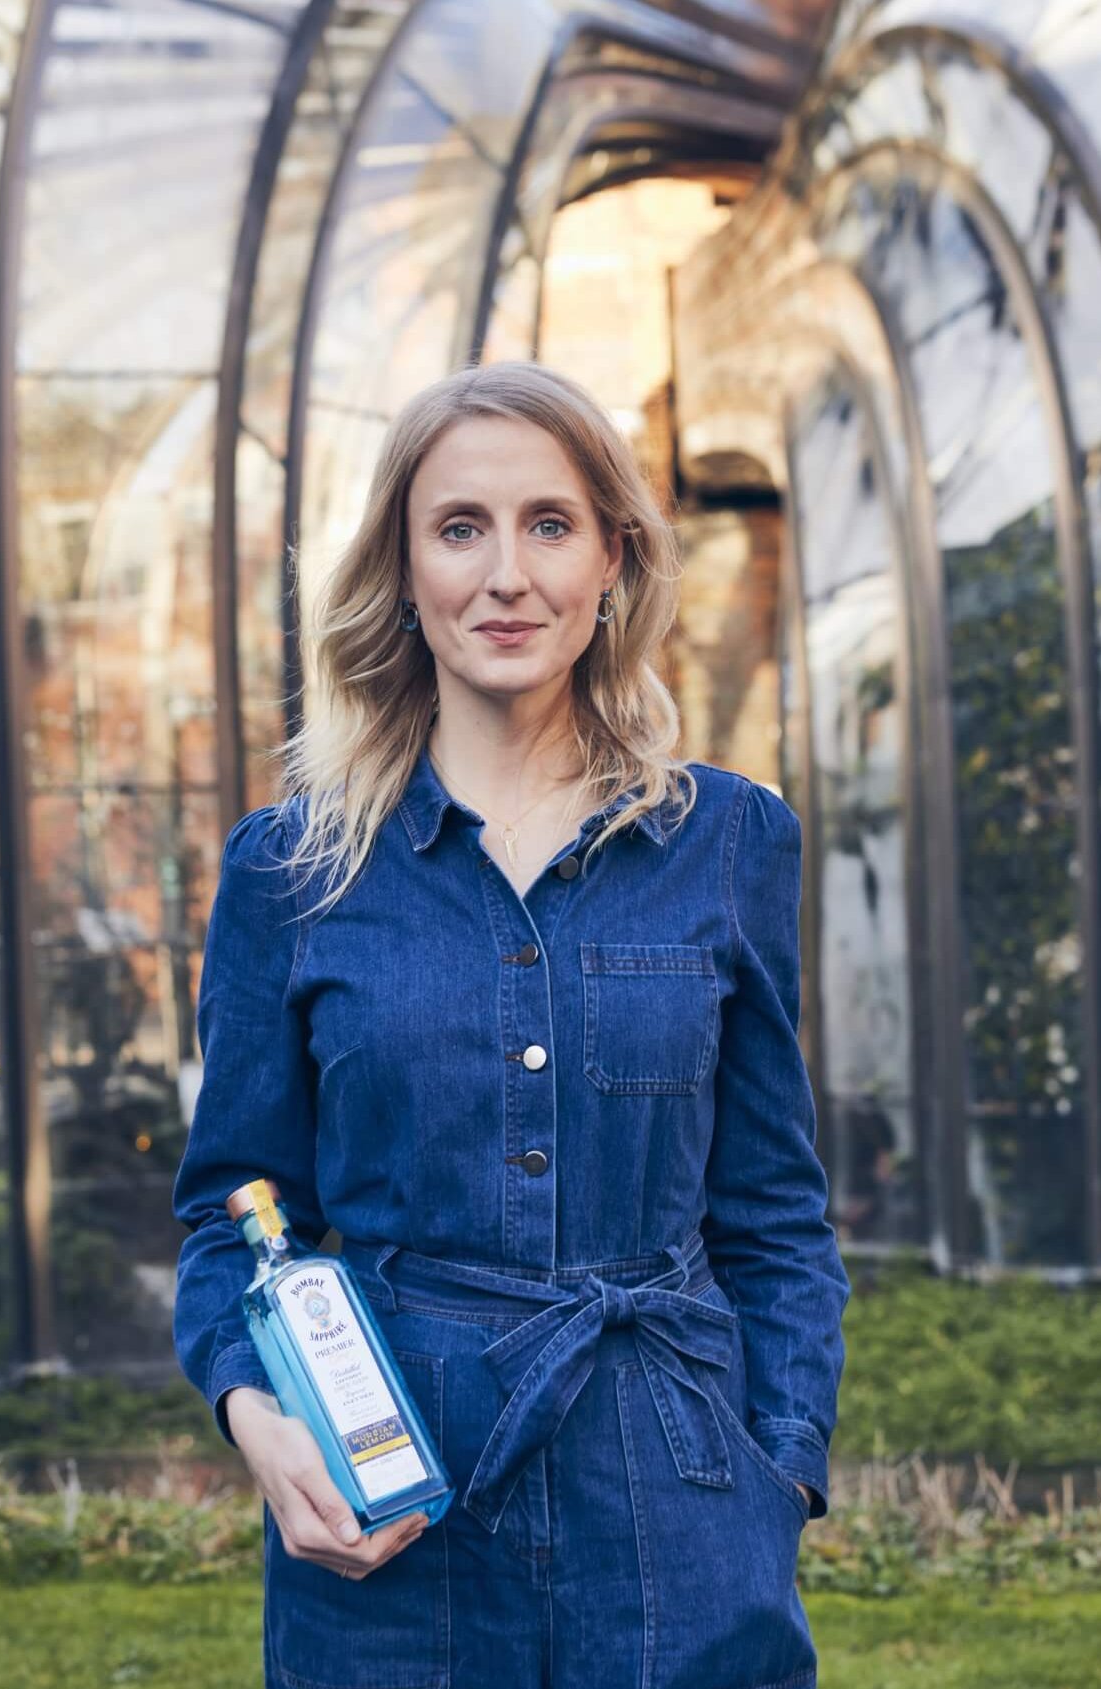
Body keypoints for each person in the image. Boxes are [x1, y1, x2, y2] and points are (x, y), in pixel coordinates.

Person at [171, 358, 850, 1689]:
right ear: (405, 571)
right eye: (459, 527)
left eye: (548, 524)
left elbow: (771, 1214)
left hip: (680, 1505)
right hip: (393, 1507)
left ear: (610, 562)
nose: (505, 575)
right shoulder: (292, 868)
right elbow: (232, 1204)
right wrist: (259, 1414)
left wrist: (778, 1474)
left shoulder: (726, 841)